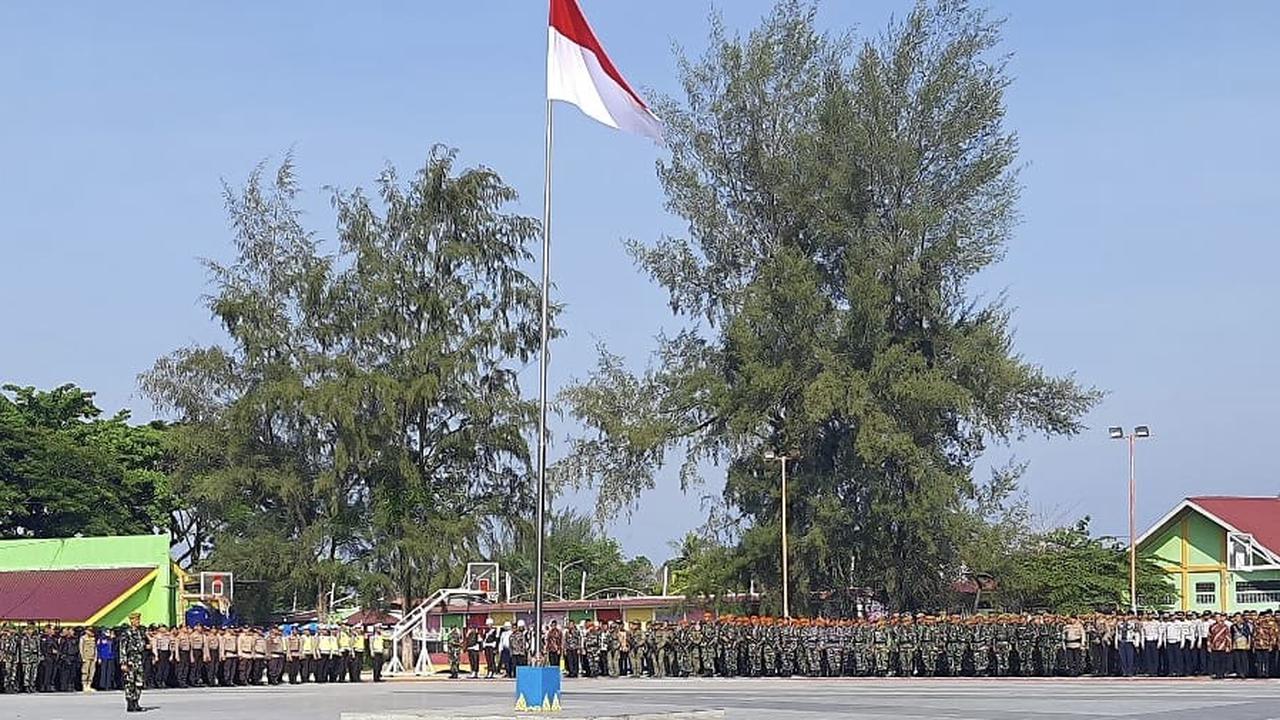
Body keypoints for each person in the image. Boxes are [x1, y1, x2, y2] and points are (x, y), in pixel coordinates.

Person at [120, 612, 147, 713]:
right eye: (136, 620)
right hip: (130, 660)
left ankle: (136, 702)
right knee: (130, 682)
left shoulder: (140, 632)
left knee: (139, 682)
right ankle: (130, 703)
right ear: (131, 621)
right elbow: (122, 648)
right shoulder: (126, 633)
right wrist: (123, 662)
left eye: (138, 620)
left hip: (138, 660)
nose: (138, 622)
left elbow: (142, 645)